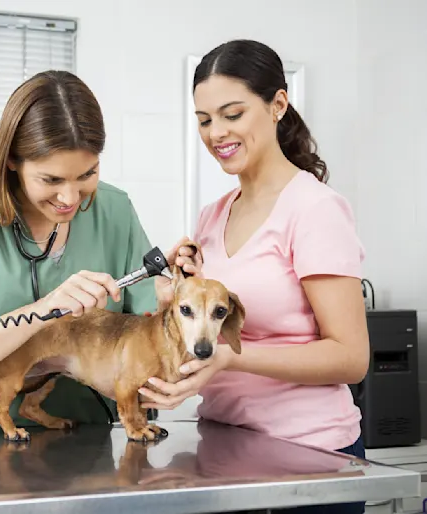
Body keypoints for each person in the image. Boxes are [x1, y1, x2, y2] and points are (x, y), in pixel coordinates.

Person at [0, 70, 200, 435]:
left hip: (85, 442)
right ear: (12, 160)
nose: (71, 198)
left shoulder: (114, 210)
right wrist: (44, 311)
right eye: (51, 180)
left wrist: (177, 297)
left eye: (87, 174)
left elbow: (146, 323)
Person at [137, 40, 369, 514]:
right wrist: (173, 298)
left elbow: (351, 358)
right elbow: (206, 333)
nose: (216, 132)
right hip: (225, 450)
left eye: (232, 114)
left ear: (278, 104)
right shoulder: (211, 216)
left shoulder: (314, 209)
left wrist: (229, 359)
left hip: (309, 459)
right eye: (204, 119)